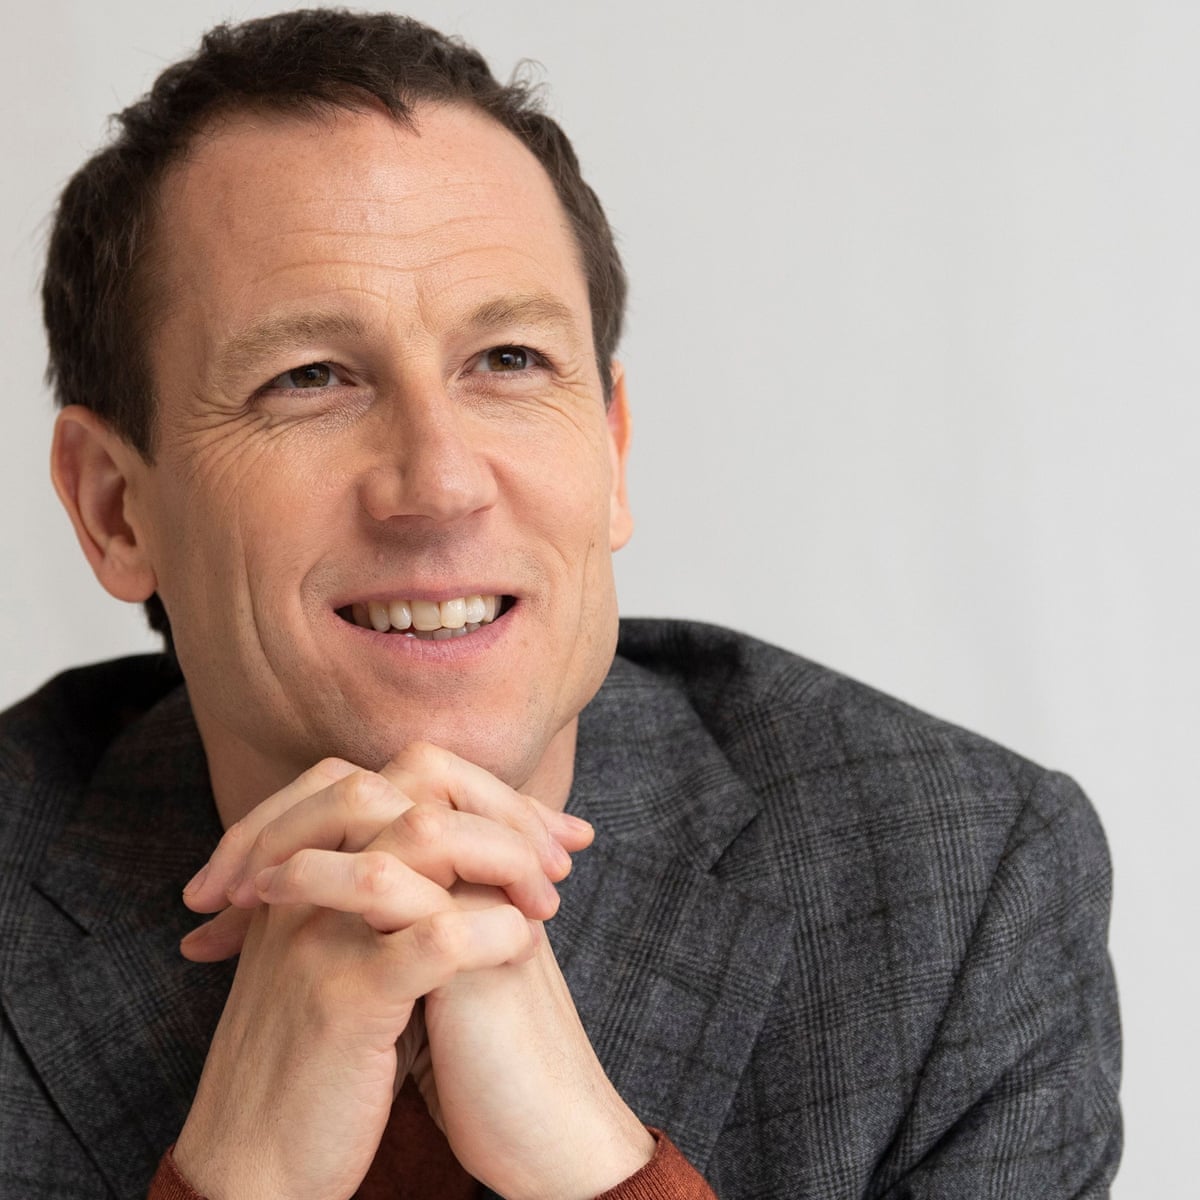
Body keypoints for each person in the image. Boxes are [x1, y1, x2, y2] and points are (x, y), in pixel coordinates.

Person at [0, 9, 1120, 1199]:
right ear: (117, 509)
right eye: (309, 378)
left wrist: (603, 1173)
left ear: (612, 447)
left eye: (509, 362)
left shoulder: (958, 887)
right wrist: (242, 1178)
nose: (439, 483)